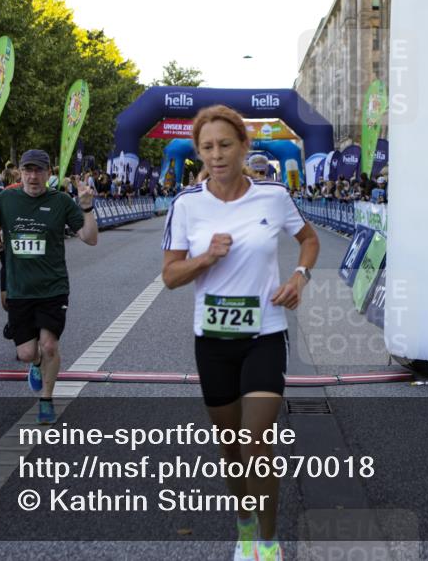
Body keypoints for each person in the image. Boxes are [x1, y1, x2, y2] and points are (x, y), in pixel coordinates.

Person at [161, 105, 320, 561]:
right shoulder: (187, 205)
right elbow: (170, 276)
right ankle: (245, 524)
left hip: (264, 334)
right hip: (212, 341)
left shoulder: (272, 195)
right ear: (197, 153)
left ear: (243, 147)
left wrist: (300, 277)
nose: (216, 155)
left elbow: (308, 240)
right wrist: (205, 258)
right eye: (207, 147)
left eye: (225, 145)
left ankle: (268, 545)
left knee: (256, 442)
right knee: (232, 451)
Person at [0, 149, 98, 423]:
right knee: (28, 352)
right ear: (20, 172)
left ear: (48, 173)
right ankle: (37, 365)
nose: (33, 176)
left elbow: (90, 238)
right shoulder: (6, 199)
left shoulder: (61, 201)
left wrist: (87, 208)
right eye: (28, 170)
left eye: (39, 170)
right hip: (20, 290)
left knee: (49, 345)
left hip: (53, 288)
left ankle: (46, 399)